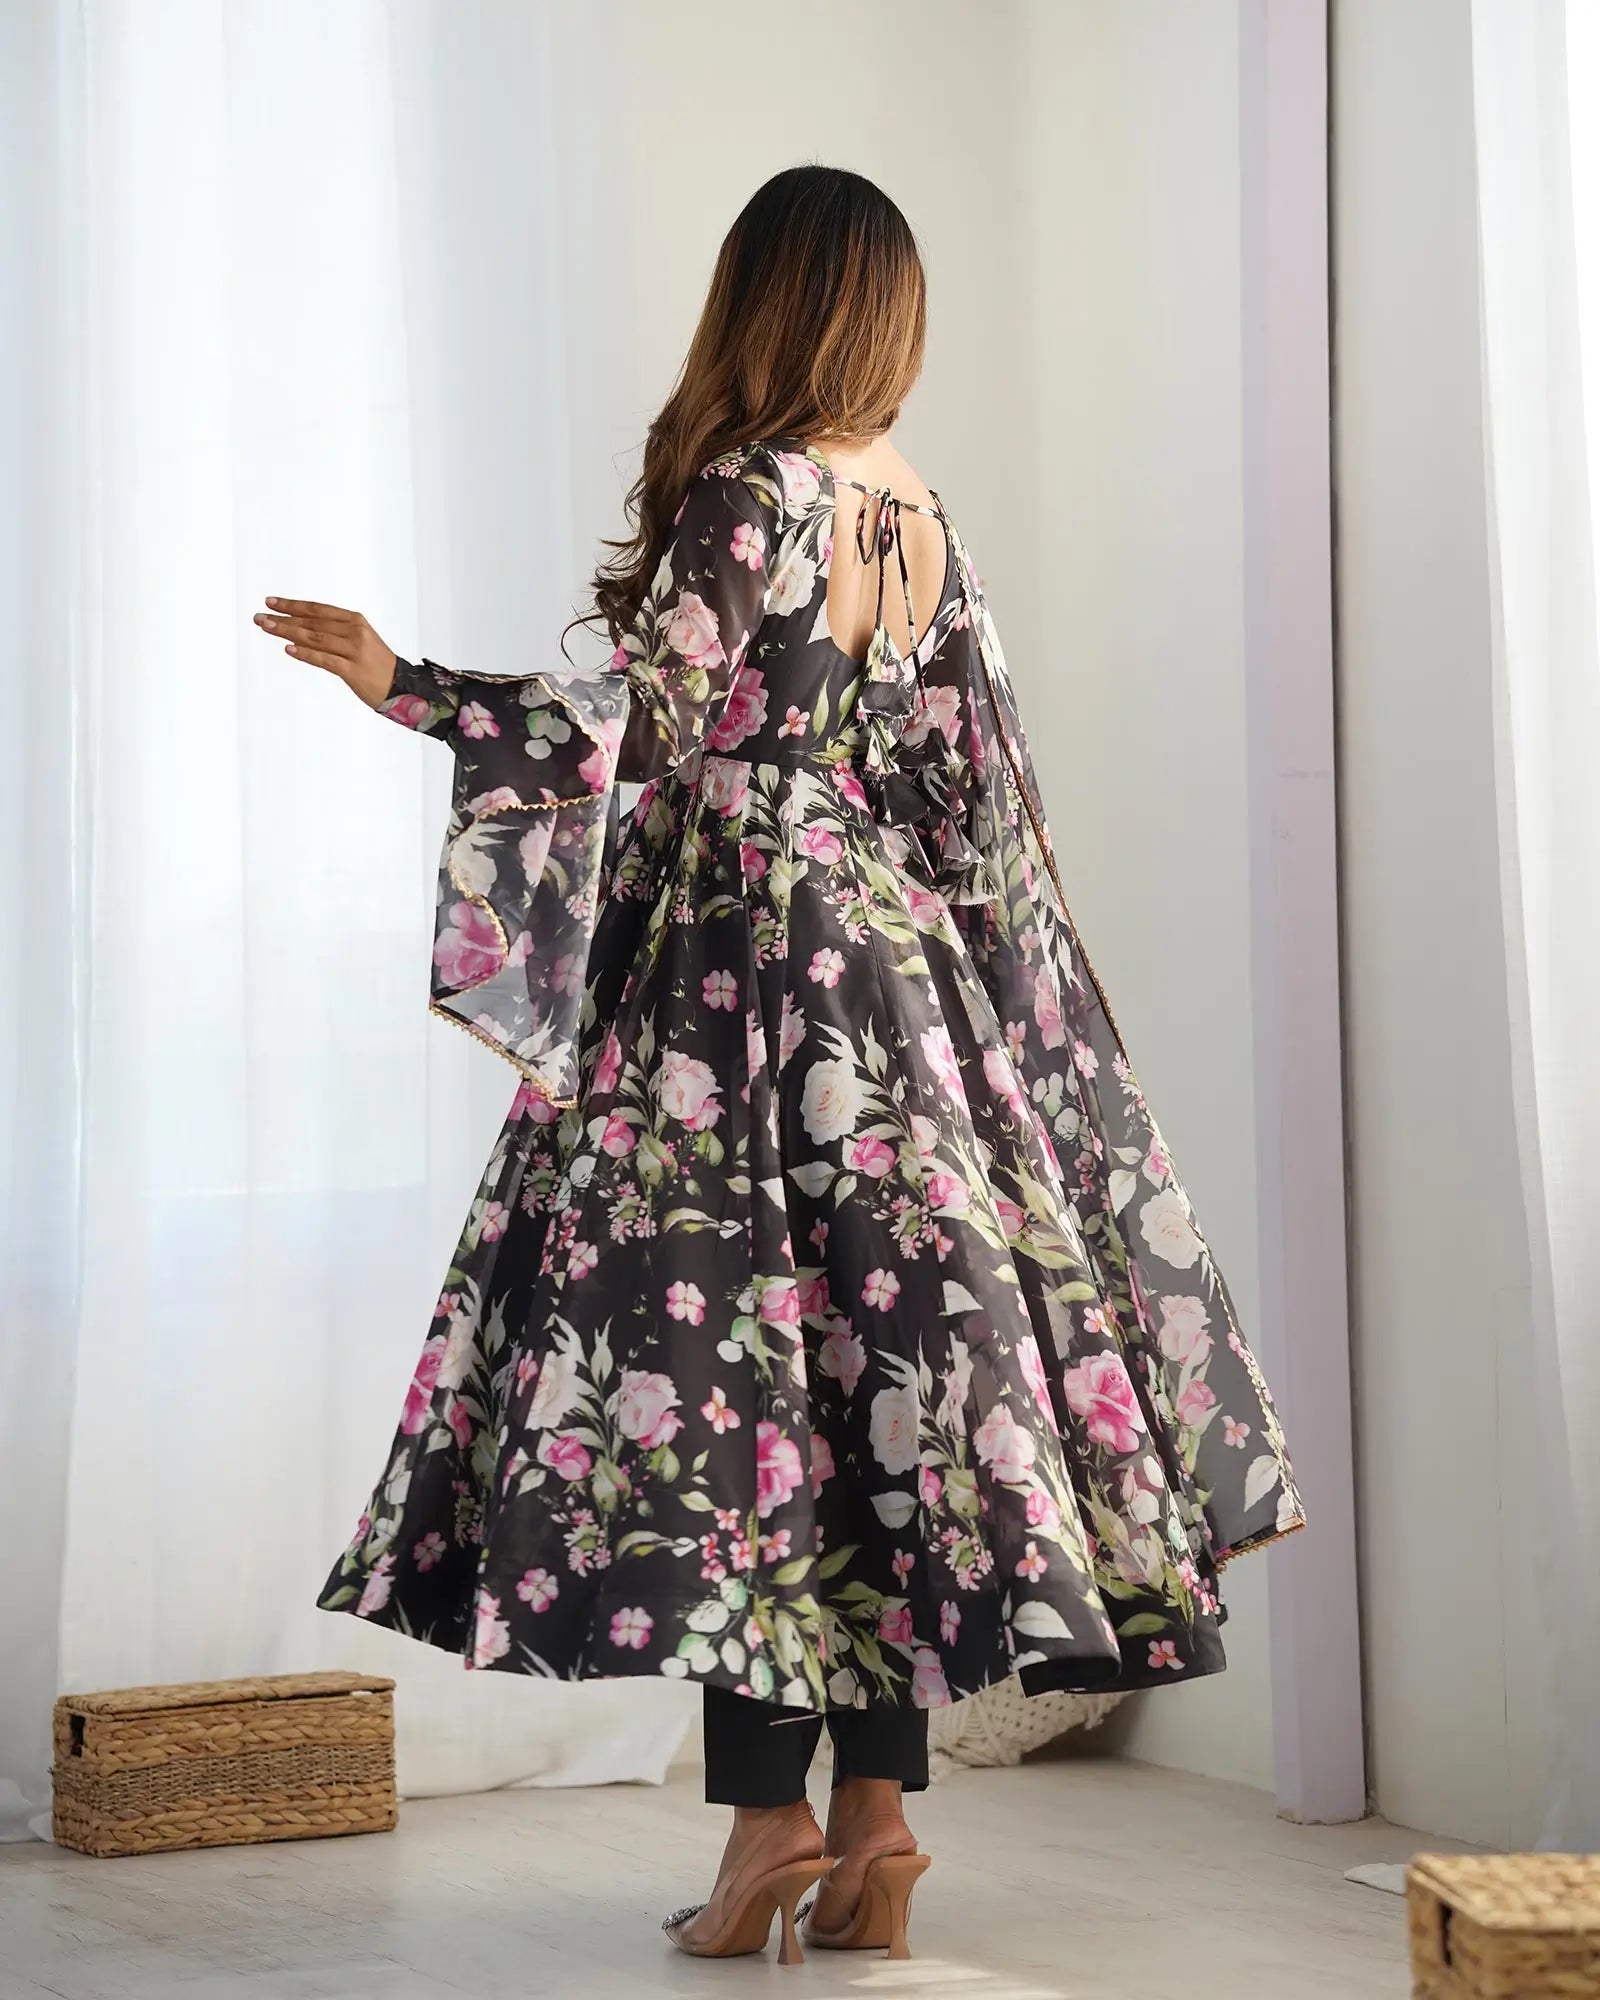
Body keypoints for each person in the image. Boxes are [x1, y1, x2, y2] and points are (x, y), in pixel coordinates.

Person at [255, 164, 1302, 1965]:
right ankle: (878, 1825)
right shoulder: (921, 513)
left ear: (766, 299)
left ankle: (767, 1830)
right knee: (884, 1395)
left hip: (736, 968)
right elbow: (965, 795)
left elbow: (651, 724)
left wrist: (405, 683)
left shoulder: (751, 490)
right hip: (895, 978)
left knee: (735, 1385)